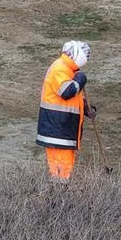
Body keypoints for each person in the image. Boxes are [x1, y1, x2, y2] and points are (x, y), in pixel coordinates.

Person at [36, 40, 92, 179]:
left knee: (61, 170)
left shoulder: (68, 69)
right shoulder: (60, 68)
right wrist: (80, 80)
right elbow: (67, 92)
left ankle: (59, 191)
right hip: (58, 130)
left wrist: (85, 108)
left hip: (60, 129)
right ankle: (60, 192)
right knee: (62, 171)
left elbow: (69, 99)